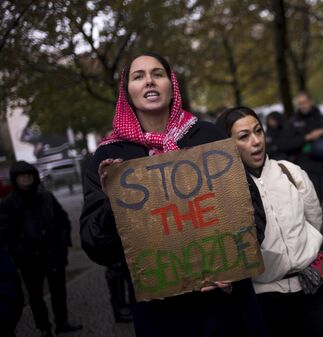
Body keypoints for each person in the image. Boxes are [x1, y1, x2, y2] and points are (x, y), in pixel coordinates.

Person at [79, 52, 267, 337]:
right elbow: (95, 245)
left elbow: (252, 207)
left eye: (158, 74)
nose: (149, 82)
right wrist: (111, 204)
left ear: (171, 84)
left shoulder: (208, 136)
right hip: (163, 317)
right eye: (138, 76)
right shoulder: (109, 160)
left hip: (229, 304)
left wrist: (234, 264)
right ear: (127, 92)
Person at [216, 106, 323, 337]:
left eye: (258, 131)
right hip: (266, 300)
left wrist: (306, 254)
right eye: (244, 136)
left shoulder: (291, 173)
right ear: (228, 145)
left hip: (313, 290)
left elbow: (314, 220)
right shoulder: (227, 192)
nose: (256, 141)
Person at [0, 161, 82, 337]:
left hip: (54, 253)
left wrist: (64, 242)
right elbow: (8, 234)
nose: (26, 178)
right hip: (29, 260)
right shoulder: (8, 204)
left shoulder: (46, 196)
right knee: (36, 296)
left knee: (59, 291)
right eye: (22, 176)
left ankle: (62, 322)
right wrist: (21, 253)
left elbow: (63, 219)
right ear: (15, 179)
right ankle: (44, 327)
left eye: (29, 174)